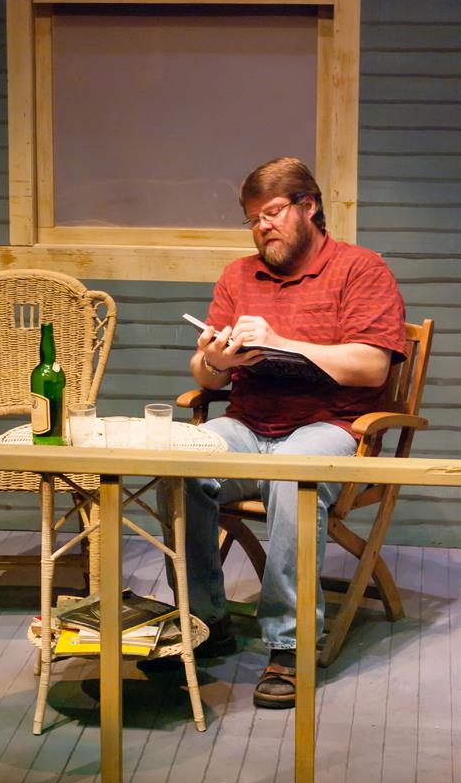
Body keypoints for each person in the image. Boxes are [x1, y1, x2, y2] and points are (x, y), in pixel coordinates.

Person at [159, 156, 407, 708]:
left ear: (308, 206)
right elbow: (203, 376)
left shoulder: (361, 270)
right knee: (178, 466)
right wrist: (215, 359)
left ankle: (287, 647)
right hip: (247, 425)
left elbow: (371, 367)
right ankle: (203, 621)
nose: (263, 227)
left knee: (292, 477)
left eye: (272, 212)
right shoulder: (238, 276)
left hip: (330, 428)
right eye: (253, 219)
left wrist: (284, 341)